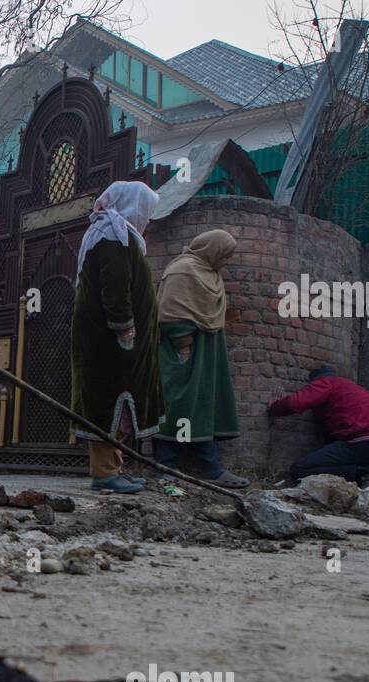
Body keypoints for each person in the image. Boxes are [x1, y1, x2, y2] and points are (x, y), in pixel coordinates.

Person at [70, 180, 164, 494]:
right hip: (109, 343)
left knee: (120, 407)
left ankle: (114, 468)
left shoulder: (117, 234)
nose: (147, 219)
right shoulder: (112, 238)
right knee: (110, 404)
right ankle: (105, 473)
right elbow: (116, 290)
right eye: (146, 211)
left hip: (112, 342)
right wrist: (124, 330)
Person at [152, 229, 250, 489]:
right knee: (177, 405)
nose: (227, 261)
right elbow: (170, 311)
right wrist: (183, 345)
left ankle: (212, 468)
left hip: (205, 351)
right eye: (225, 254)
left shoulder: (210, 273)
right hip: (182, 353)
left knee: (203, 405)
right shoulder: (183, 270)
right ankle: (166, 467)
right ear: (213, 249)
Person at [268, 367, 369, 484]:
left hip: (367, 440)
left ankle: (367, 473)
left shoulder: (327, 382)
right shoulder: (352, 389)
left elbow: (297, 402)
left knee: (300, 469)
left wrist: (274, 407)